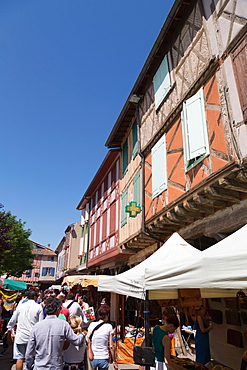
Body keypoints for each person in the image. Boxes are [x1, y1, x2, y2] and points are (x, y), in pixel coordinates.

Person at [25, 296, 85, 370]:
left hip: (39, 366)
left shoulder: (36, 327)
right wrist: (83, 333)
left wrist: (28, 366)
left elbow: (29, 352)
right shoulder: (63, 325)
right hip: (56, 366)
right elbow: (76, 341)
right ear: (58, 309)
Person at [6, 290, 43, 370]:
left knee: (20, 358)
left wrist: (9, 328)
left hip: (20, 336)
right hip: (32, 337)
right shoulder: (38, 307)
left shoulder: (20, 306)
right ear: (35, 297)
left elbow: (13, 320)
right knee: (32, 359)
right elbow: (41, 323)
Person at [87, 304, 117, 370]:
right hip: (104, 356)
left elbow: (87, 337)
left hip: (93, 356)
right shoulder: (109, 327)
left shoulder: (92, 325)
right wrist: (114, 361)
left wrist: (89, 347)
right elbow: (111, 346)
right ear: (106, 316)